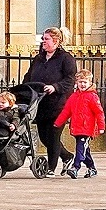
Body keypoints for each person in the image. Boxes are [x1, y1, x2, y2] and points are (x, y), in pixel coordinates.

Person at [22, 26, 78, 175]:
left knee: (53, 136)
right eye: (43, 39)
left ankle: (50, 168)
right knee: (44, 137)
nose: (43, 42)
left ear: (56, 41)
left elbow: (70, 80)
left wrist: (55, 87)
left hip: (58, 104)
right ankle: (67, 156)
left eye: (46, 39)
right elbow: (29, 75)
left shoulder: (66, 59)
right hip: (41, 103)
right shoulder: (38, 58)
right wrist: (24, 89)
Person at [55, 69, 106, 179]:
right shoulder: (73, 97)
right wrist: (58, 123)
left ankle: (75, 167)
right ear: (76, 83)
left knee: (80, 148)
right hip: (76, 127)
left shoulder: (92, 96)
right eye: (80, 82)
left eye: (85, 82)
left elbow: (99, 112)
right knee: (84, 150)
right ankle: (92, 168)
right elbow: (66, 111)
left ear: (90, 83)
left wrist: (101, 126)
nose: (82, 84)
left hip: (87, 128)